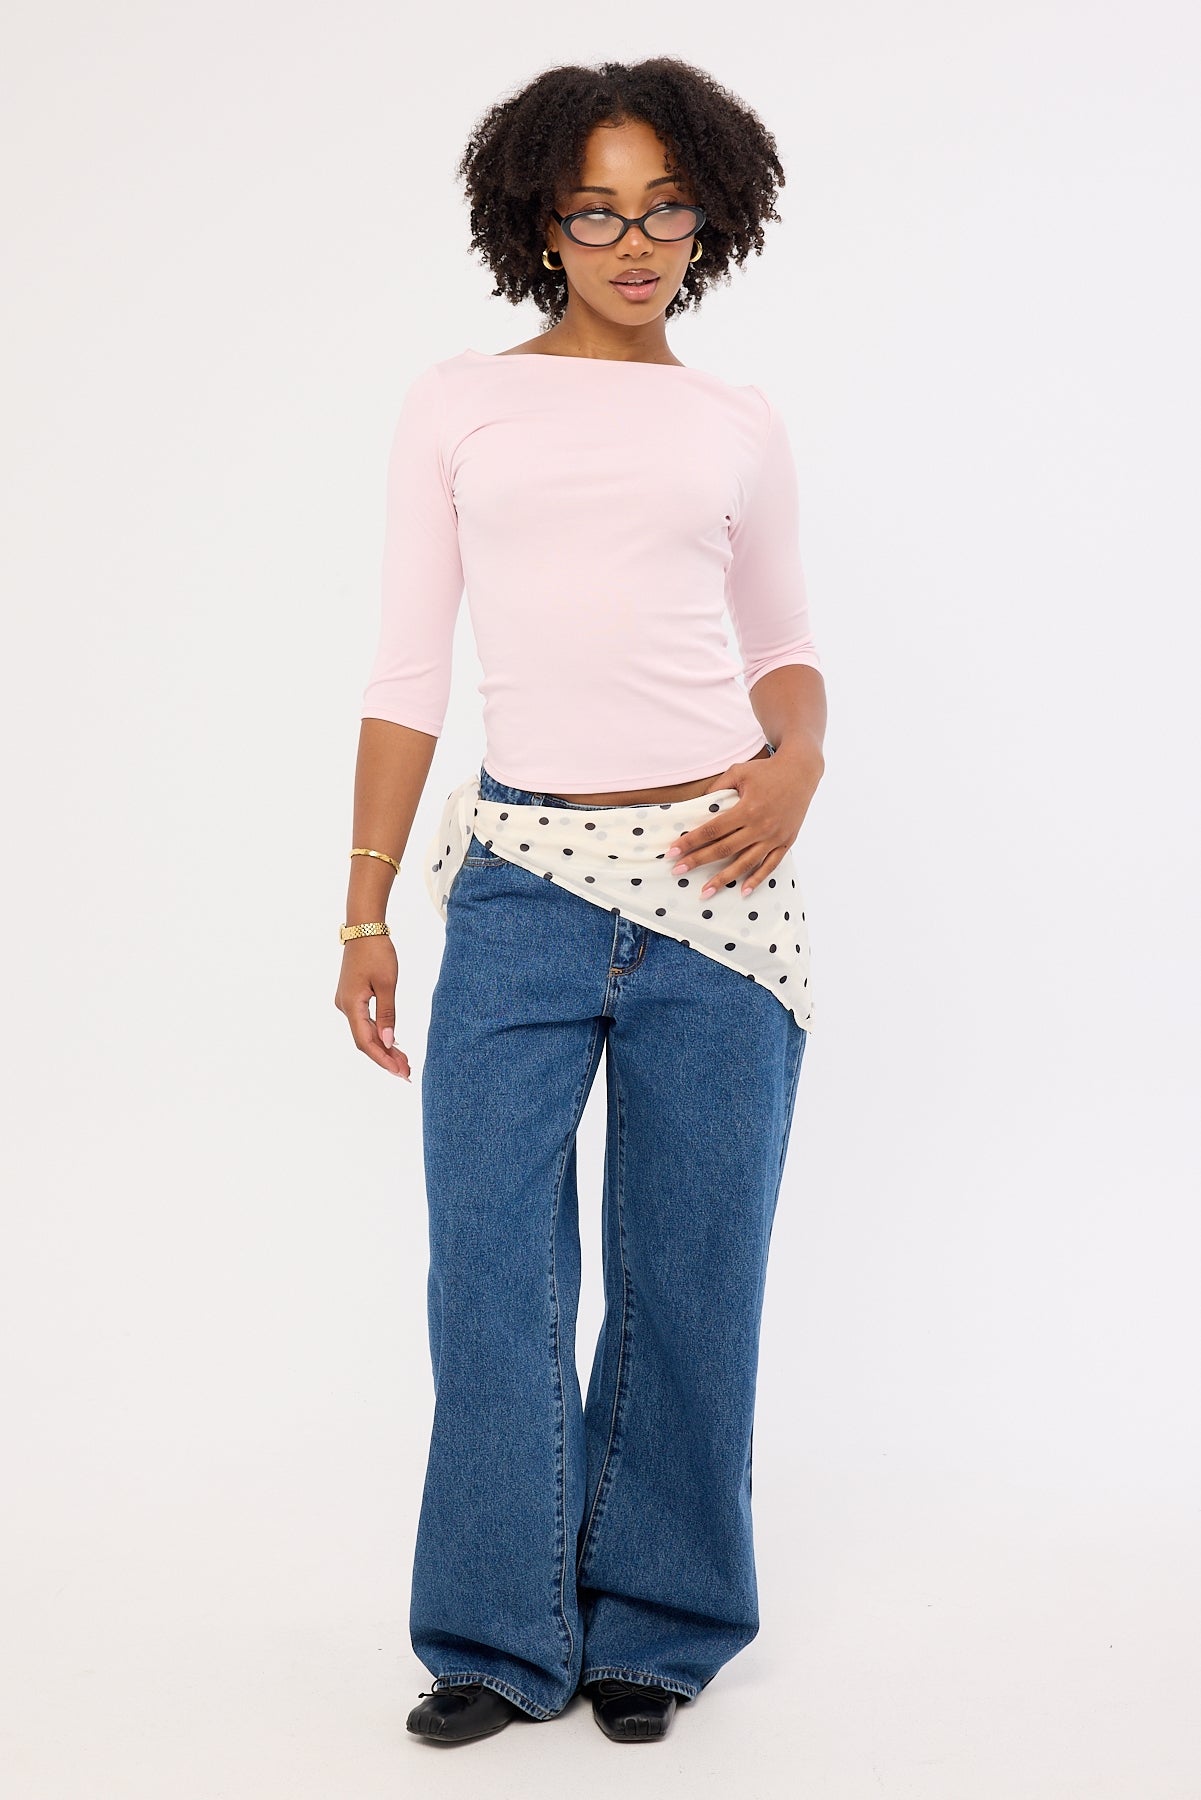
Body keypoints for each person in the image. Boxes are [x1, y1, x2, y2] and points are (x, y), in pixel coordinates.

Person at [335, 56, 828, 1748]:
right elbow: (406, 671)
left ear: (711, 217)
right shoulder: (458, 402)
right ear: (540, 223)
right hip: (523, 885)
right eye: (597, 211)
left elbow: (782, 642)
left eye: (665, 208)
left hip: (720, 880)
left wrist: (799, 759)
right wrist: (363, 913)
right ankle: (496, 1638)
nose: (635, 243)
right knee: (491, 1273)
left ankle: (659, 1631)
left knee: (693, 1277)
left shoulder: (735, 419)